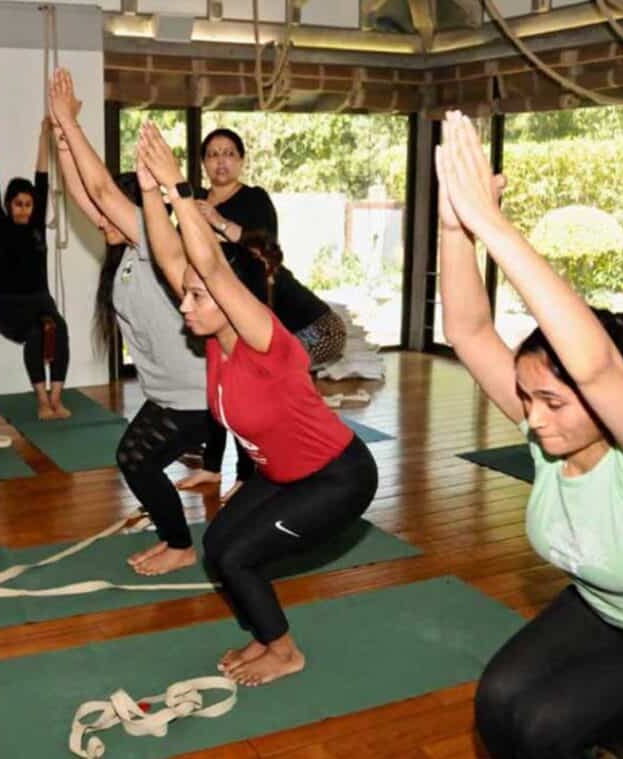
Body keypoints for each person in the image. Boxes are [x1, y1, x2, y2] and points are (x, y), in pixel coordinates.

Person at [138, 120, 378, 686]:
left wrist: (177, 190)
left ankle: (284, 650)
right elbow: (175, 261)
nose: (184, 305)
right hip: (281, 473)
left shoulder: (262, 338)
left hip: (336, 477)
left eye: (197, 298)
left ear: (227, 301)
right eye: (187, 296)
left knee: (240, 556)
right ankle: (262, 635)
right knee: (218, 547)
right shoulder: (216, 341)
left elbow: (213, 270)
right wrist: (150, 194)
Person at [434, 110, 623, 758]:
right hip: (604, 609)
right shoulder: (550, 440)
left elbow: (597, 366)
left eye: (551, 399)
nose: (532, 416)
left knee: (547, 726)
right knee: (497, 700)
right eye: (527, 397)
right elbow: (468, 332)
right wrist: (453, 226)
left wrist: (495, 225)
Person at [49, 68, 209, 575]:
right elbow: (84, 192)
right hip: (168, 395)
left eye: (109, 212)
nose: (99, 218)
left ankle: (181, 545)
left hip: (197, 397)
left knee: (137, 462)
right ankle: (175, 539)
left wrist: (72, 130)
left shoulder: (149, 239)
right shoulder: (121, 256)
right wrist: (61, 133)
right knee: (134, 462)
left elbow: (97, 186)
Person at [180, 128, 281, 501]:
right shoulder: (196, 201)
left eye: (228, 154)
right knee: (215, 391)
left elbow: (267, 246)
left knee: (243, 394)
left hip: (244, 307)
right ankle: (210, 466)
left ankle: (247, 473)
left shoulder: (254, 198)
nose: (221, 161)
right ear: (204, 162)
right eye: (213, 154)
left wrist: (218, 223)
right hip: (209, 309)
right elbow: (182, 249)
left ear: (240, 160)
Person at [0, 112, 70, 420]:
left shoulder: (37, 226)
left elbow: (42, 177)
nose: (24, 209)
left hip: (40, 300)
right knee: (35, 334)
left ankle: (57, 398)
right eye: (18, 203)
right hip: (9, 306)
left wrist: (44, 135)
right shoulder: (2, 226)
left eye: (28, 204)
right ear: (8, 206)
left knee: (60, 329)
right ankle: (42, 401)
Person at [241, 229, 346, 367]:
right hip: (327, 328)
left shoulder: (270, 279)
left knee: (271, 364)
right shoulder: (271, 274)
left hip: (323, 332)